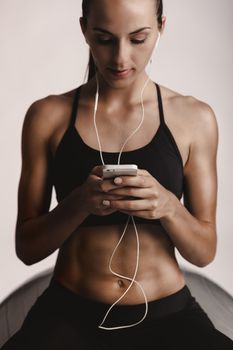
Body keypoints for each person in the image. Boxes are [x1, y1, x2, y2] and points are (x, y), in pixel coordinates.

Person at [2, 0, 233, 349]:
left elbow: (204, 252)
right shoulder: (47, 116)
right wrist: (79, 203)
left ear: (161, 28)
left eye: (138, 39)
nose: (121, 58)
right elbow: (27, 248)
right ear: (84, 30)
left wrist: (168, 207)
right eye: (105, 39)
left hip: (168, 314)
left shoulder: (194, 118)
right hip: (68, 314)